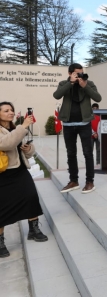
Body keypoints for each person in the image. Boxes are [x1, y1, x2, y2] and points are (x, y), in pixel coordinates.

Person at [0, 102, 48, 258]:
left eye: (12, 110)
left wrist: (28, 149)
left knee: (31, 197)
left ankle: (34, 230)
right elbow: (6, 144)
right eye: (6, 110)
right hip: (3, 174)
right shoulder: (14, 129)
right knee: (3, 207)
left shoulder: (15, 128)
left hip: (20, 171)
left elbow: (22, 150)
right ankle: (0, 242)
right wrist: (24, 126)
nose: (11, 112)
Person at [53, 63, 102, 194]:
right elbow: (57, 95)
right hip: (68, 124)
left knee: (88, 153)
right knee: (71, 153)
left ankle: (90, 181)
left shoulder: (88, 83)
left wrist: (84, 86)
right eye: (77, 73)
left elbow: (98, 98)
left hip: (84, 123)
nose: (80, 75)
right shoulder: (64, 83)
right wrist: (70, 82)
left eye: (81, 72)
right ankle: (73, 181)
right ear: (70, 73)